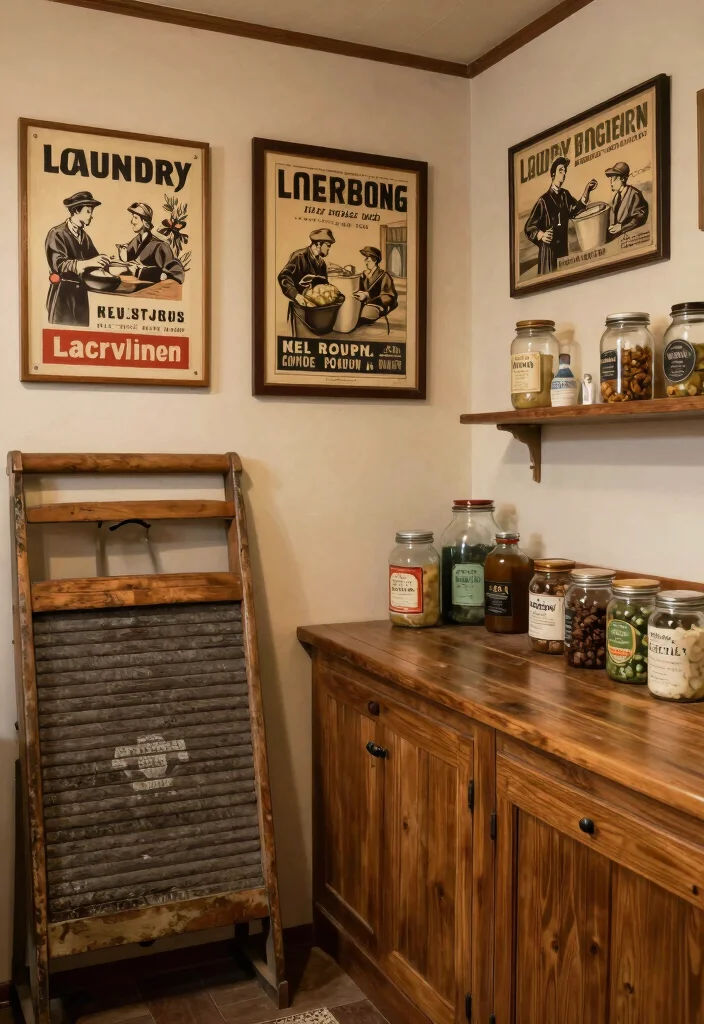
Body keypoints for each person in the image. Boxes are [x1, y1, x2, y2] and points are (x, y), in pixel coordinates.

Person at [45, 191, 110, 326]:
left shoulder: (84, 236)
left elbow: (94, 260)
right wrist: (89, 262)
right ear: (76, 211)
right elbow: (60, 265)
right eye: (88, 211)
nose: (91, 216)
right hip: (62, 295)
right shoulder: (57, 233)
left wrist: (105, 262)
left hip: (81, 296)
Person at [524, 158, 598, 275]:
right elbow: (529, 227)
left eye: (565, 171)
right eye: (560, 170)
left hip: (563, 250)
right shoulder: (543, 200)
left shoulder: (565, 195)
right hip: (548, 252)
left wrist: (587, 191)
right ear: (553, 174)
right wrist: (541, 235)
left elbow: (575, 210)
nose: (564, 173)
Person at [122, 203, 185, 283]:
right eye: (132, 217)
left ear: (145, 222)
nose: (132, 221)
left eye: (135, 218)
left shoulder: (160, 246)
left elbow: (176, 273)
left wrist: (142, 272)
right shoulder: (134, 243)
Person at [278, 228, 335, 306]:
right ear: (318, 244)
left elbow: (323, 285)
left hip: (316, 306)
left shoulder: (322, 264)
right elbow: (284, 277)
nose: (329, 248)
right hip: (300, 306)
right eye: (328, 245)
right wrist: (296, 296)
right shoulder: (299, 256)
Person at [354, 246, 398, 323]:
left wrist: (368, 295)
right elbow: (361, 289)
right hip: (363, 304)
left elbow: (388, 297)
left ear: (375, 260)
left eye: (368, 259)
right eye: (365, 258)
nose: (365, 261)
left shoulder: (384, 276)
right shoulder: (364, 275)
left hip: (377, 305)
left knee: (364, 314)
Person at [604, 162, 649, 238]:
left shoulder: (634, 194)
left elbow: (640, 217)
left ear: (622, 179)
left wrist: (622, 226)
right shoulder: (616, 197)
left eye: (614, 179)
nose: (611, 182)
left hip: (632, 236)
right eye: (610, 179)